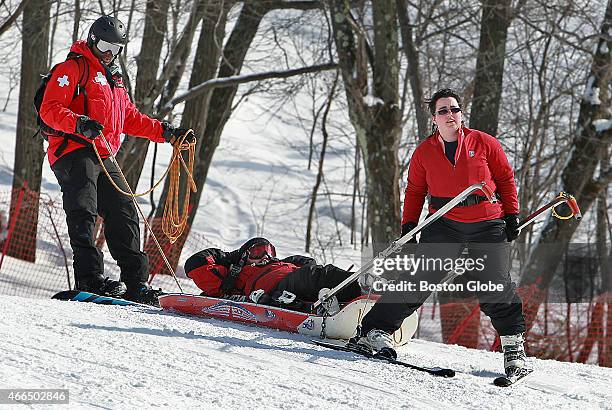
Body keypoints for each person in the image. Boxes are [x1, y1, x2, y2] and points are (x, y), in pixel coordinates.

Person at [352, 88, 527, 375]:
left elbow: (506, 179)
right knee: (419, 277)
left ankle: (513, 346)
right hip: (444, 223)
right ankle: (375, 330)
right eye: (443, 110)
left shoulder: (484, 143)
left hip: (487, 222)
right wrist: (409, 225)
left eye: (454, 109)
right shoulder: (424, 152)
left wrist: (512, 215)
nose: (450, 115)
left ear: (461, 113)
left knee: (493, 283)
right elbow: (415, 191)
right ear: (434, 118)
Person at [40, 15, 194, 305]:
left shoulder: (115, 81)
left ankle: (136, 283)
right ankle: (90, 277)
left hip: (103, 153)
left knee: (124, 211)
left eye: (116, 47)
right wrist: (78, 122)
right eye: (105, 45)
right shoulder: (72, 68)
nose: (110, 53)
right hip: (74, 149)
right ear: (93, 40)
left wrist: (167, 133)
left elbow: (130, 118)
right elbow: (50, 109)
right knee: (83, 208)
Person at [184, 237, 362, 312]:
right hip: (276, 285)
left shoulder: (279, 262)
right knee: (320, 275)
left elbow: (308, 262)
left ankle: (351, 299)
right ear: (243, 255)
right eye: (257, 251)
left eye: (268, 251)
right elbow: (194, 264)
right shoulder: (235, 272)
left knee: (319, 275)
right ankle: (361, 286)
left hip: (294, 281)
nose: (264, 256)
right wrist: (230, 257)